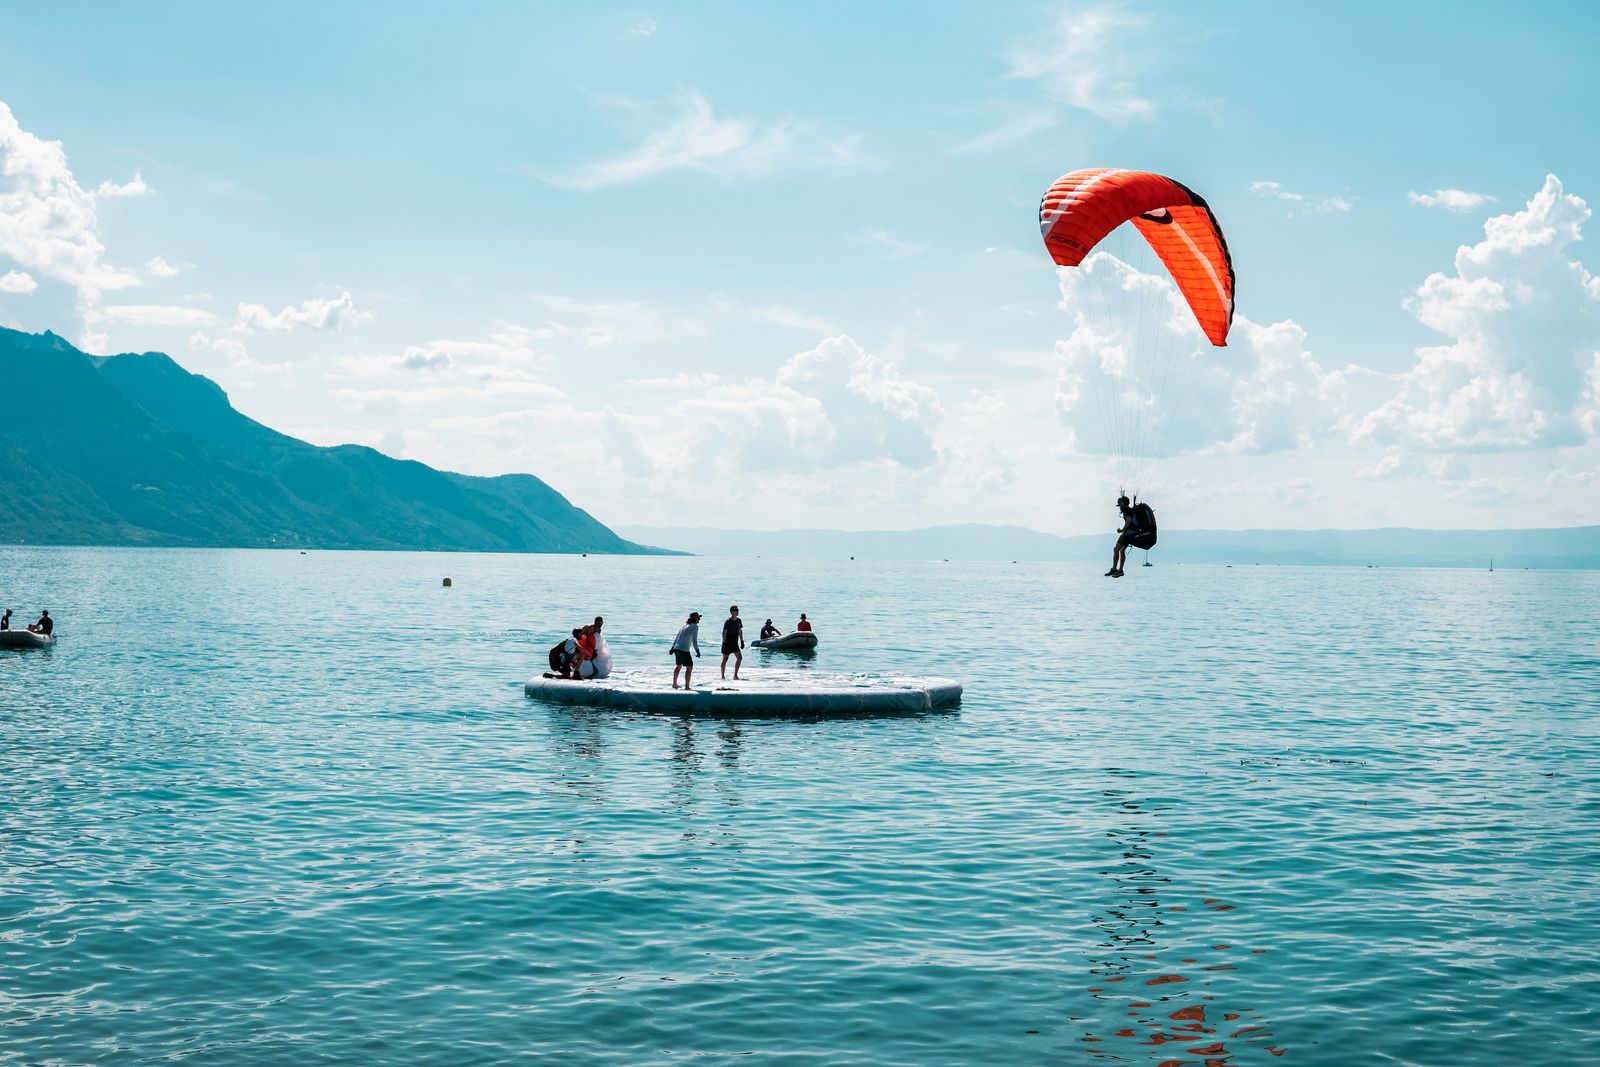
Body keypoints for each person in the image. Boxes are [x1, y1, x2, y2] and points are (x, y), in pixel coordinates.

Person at [1107, 495, 1157, 577]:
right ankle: (1120, 571)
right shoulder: (1131, 510)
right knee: (1122, 551)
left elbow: (1129, 520)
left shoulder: (1126, 510)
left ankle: (1114, 569)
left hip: (1128, 534)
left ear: (1122, 504)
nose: (1119, 507)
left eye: (1119, 505)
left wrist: (1122, 530)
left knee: (1116, 549)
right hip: (1133, 534)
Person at [671, 612, 702, 689]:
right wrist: (697, 651)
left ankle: (674, 684)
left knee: (678, 666)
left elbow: (676, 637)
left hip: (677, 648)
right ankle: (687, 687)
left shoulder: (684, 626)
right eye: (698, 617)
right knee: (689, 668)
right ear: (695, 618)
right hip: (684, 650)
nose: (699, 619)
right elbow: (694, 640)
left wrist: (672, 648)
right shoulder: (695, 626)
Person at [720, 605, 745, 680]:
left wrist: (742, 641)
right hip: (727, 643)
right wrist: (724, 643)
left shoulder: (739, 620)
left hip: (735, 643)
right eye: (735, 610)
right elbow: (724, 632)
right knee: (725, 659)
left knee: (740, 658)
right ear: (731, 612)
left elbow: (740, 631)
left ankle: (735, 675)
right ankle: (723, 676)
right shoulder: (728, 621)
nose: (737, 611)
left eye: (737, 610)